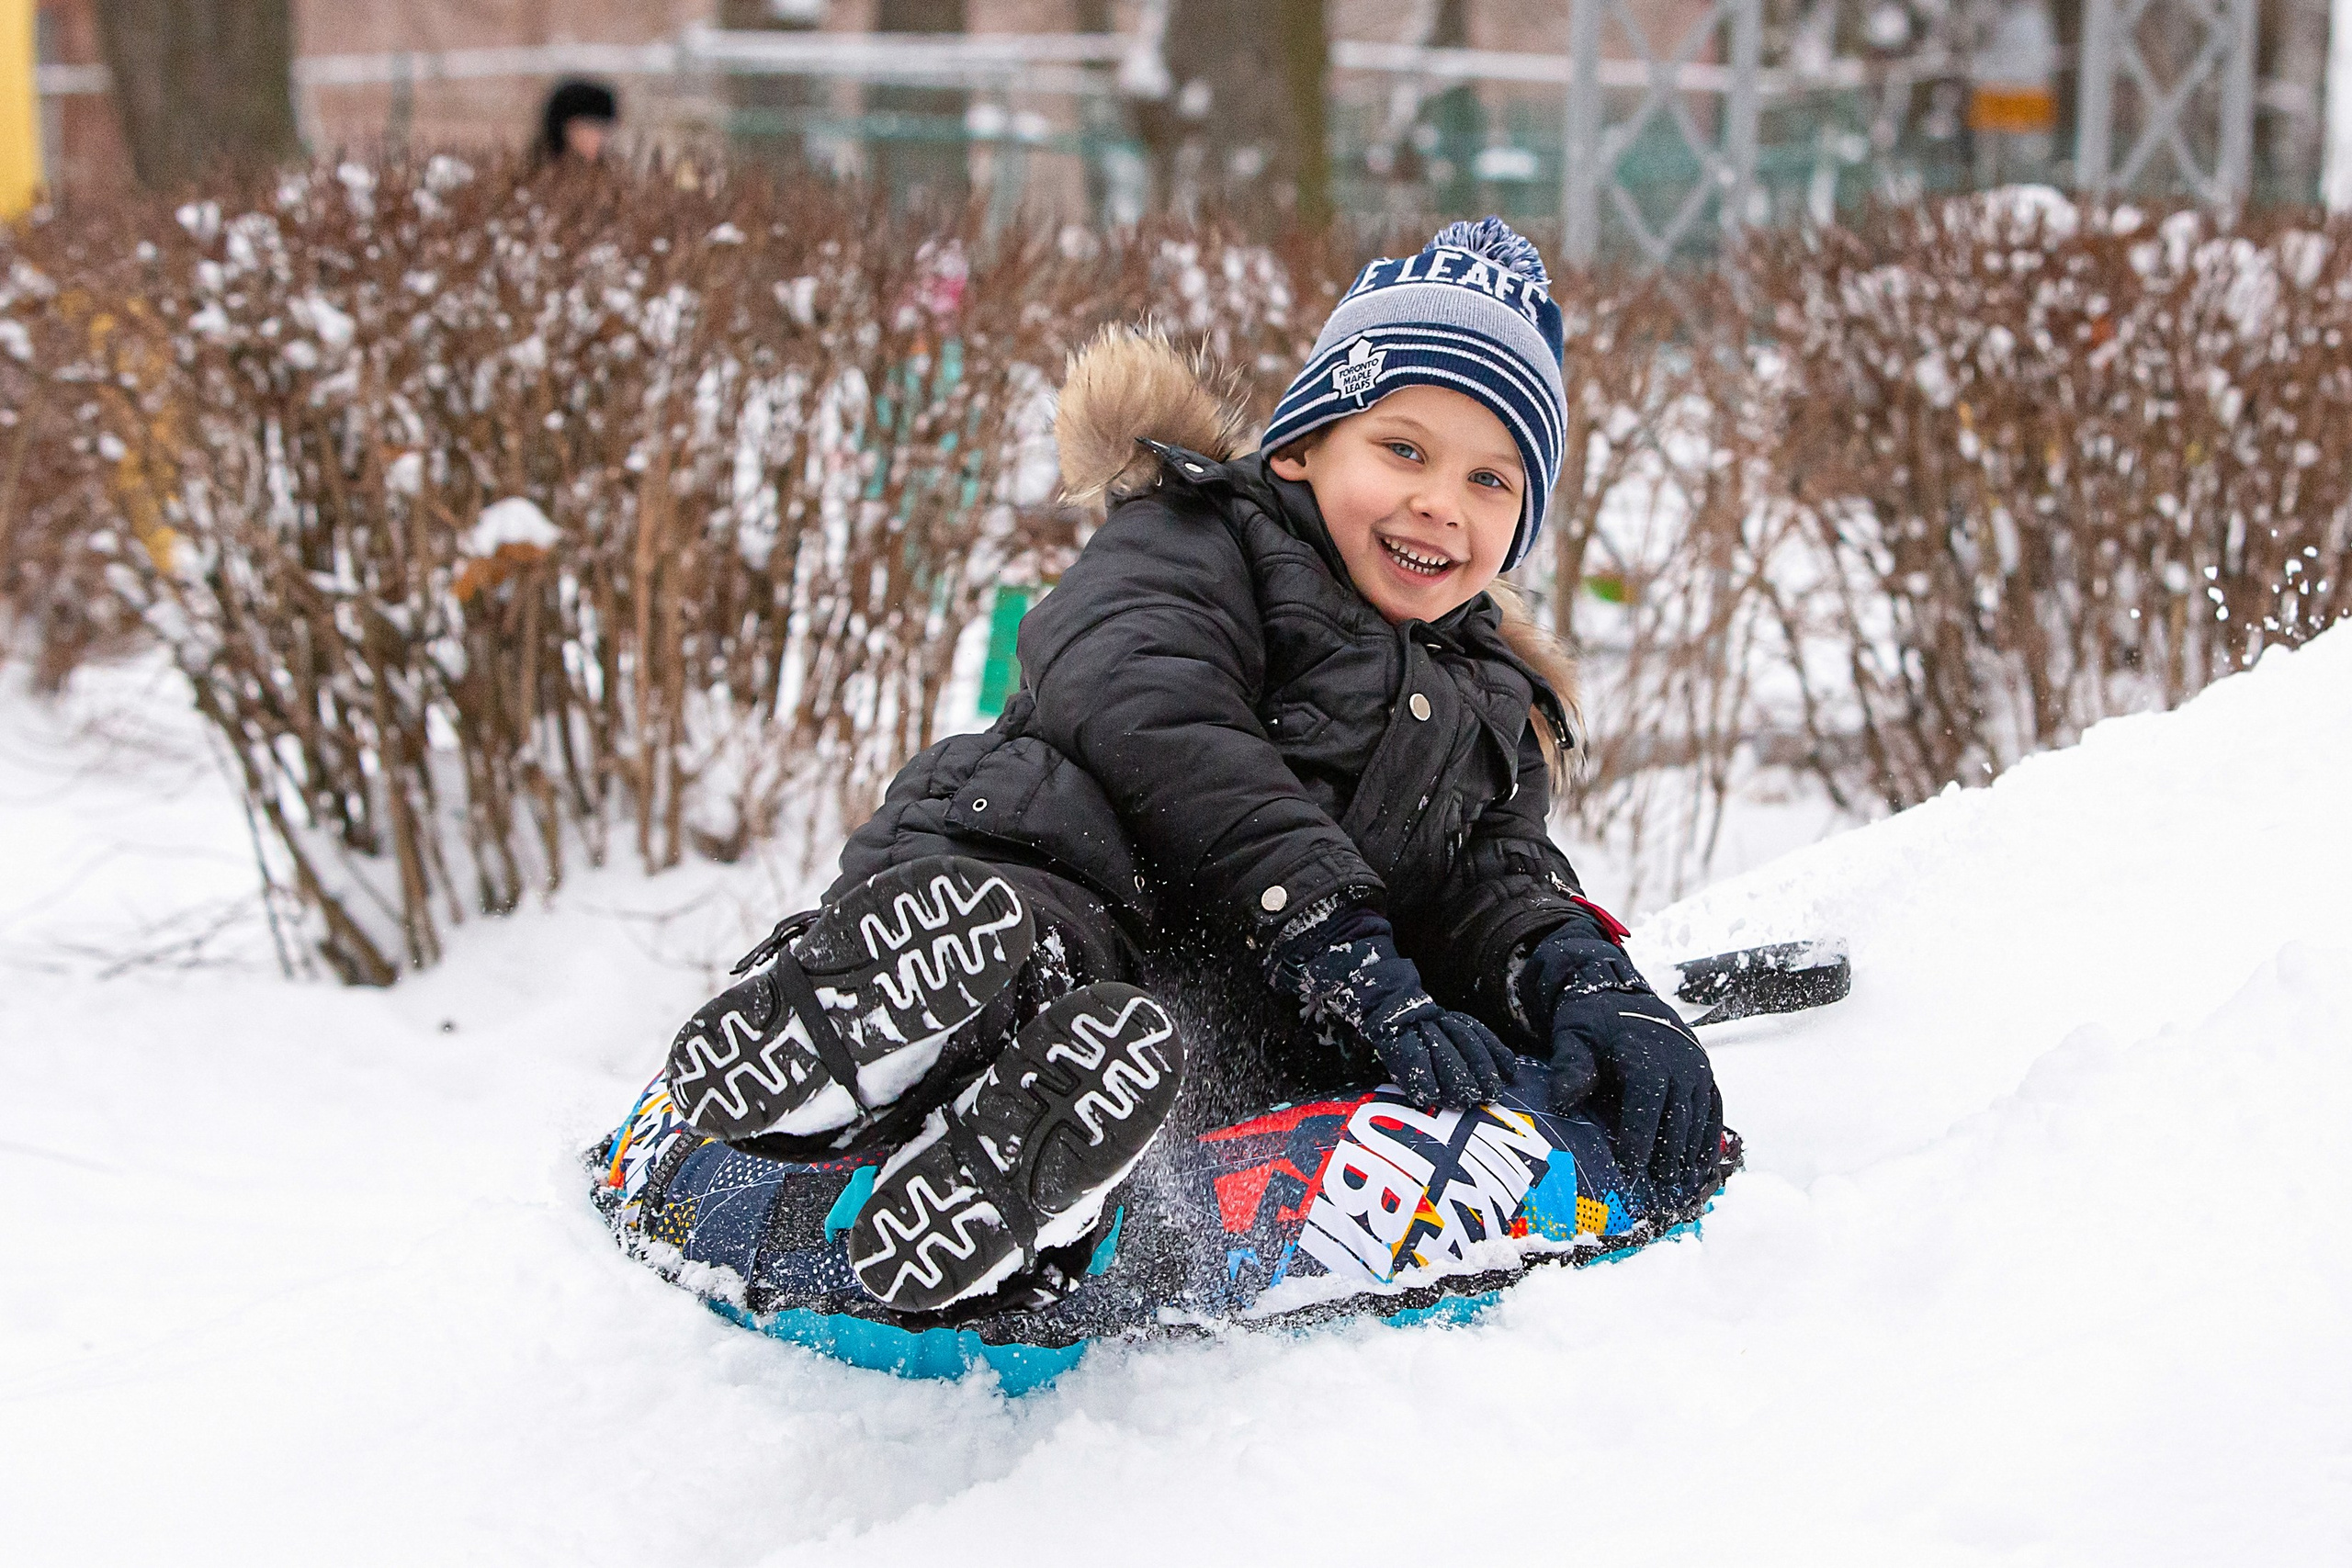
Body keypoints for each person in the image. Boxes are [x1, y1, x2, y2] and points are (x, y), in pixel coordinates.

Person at [660, 218, 1721, 1316]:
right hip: (1054, 873)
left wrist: (1586, 984)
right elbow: (1147, 703)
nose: (1440, 503)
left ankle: (1036, 1181)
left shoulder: (1492, 698)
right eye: (1402, 450)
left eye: (1493, 481)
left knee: (1135, 1062)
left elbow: (1494, 882)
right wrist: (1333, 931)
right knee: (1036, 936)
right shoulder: (1199, 536)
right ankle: (874, 1038)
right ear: (1304, 446)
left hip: (1203, 1019)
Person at [537, 78, 617, 167]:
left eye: (604, 129)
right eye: (593, 126)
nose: (601, 138)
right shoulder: (538, 175)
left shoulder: (609, 175)